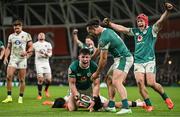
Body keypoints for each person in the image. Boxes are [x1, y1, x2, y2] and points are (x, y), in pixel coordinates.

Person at [102, 2, 174, 112]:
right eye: (138, 21)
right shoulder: (135, 32)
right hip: (138, 62)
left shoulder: (152, 30)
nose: (139, 23)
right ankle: (149, 104)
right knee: (140, 82)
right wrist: (110, 24)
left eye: (141, 21)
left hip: (149, 60)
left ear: (145, 22)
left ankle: (166, 97)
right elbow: (123, 29)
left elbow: (160, 21)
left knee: (151, 83)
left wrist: (168, 11)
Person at [86, 18, 134, 115]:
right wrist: (90, 58)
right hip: (119, 59)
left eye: (90, 31)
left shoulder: (104, 38)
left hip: (124, 58)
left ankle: (126, 107)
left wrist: (97, 73)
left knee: (116, 81)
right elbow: (99, 50)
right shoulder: (106, 32)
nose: (91, 34)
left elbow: (103, 60)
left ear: (94, 28)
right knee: (108, 79)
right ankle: (111, 105)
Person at [2, 20, 33, 103]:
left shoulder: (26, 35)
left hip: (22, 59)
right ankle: (9, 96)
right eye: (15, 28)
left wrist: (26, 52)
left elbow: (31, 47)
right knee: (9, 76)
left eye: (18, 27)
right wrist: (5, 57)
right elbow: (8, 48)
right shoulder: (11, 36)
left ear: (21, 27)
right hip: (13, 58)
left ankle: (20, 97)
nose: (16, 29)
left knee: (22, 80)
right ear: (13, 28)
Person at [33, 32, 52, 100]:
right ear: (38, 37)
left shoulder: (48, 44)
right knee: (40, 79)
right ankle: (39, 94)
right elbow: (30, 51)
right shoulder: (34, 44)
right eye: (39, 34)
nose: (41, 35)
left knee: (49, 80)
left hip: (46, 63)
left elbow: (50, 53)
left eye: (42, 35)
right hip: (39, 63)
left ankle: (46, 90)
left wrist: (47, 54)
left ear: (44, 36)